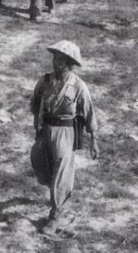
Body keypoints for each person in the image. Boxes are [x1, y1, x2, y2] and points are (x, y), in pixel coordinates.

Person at [30, 40, 99, 236]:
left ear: (69, 63)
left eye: (60, 60)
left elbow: (89, 112)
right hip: (46, 129)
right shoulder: (44, 80)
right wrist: (37, 119)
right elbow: (35, 101)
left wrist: (94, 140)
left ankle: (55, 213)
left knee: (62, 171)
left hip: (65, 131)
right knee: (38, 160)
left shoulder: (78, 85)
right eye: (54, 58)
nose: (55, 63)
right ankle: (54, 191)